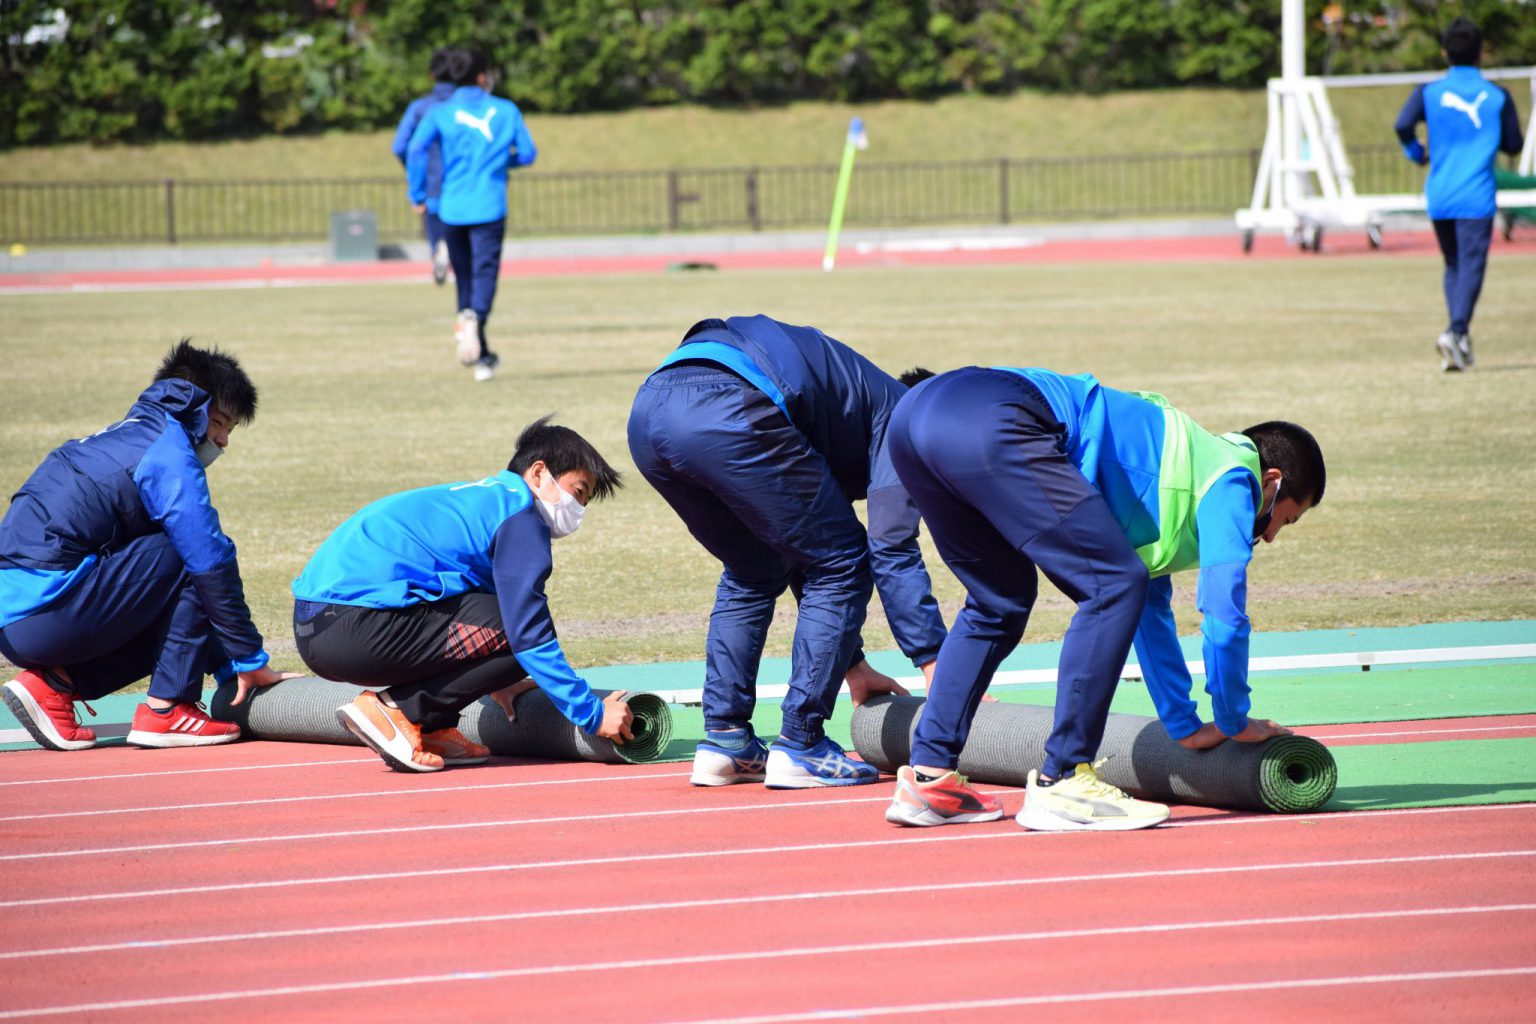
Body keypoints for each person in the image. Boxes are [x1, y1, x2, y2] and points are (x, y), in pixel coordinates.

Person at [881, 366, 1325, 831]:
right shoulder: (1234, 481)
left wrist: (1187, 727)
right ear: (1271, 481)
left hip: (915, 418)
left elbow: (1147, 610)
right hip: (992, 413)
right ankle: (1066, 779)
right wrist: (1234, 719)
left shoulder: (1172, 477)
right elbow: (1224, 615)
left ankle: (929, 780)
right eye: (1285, 521)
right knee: (1113, 584)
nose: (1270, 536)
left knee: (1000, 600)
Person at [627, 315, 947, 789]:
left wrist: (853, 665)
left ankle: (725, 740)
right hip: (730, 403)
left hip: (651, 409)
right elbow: (890, 549)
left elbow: (801, 544)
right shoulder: (907, 420)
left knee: (753, 567)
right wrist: (939, 667)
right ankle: (801, 743)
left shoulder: (852, 413)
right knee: (844, 560)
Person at [0, 340, 297, 751]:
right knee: (189, 555)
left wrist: (227, 667)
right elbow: (209, 561)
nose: (224, 440)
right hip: (44, 614)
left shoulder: (131, 432)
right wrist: (250, 659)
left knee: (173, 581)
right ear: (195, 407)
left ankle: (51, 685)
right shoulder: (168, 451)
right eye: (221, 423)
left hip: (21, 620)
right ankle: (167, 710)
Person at [290, 416, 632, 773]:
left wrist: (500, 676)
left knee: (515, 638)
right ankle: (397, 711)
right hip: (354, 625)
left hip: (317, 626)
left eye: (586, 502)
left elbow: (475, 610)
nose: (578, 510)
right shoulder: (521, 516)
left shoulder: (484, 501)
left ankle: (430, 727)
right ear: (538, 473)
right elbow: (526, 632)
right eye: (577, 492)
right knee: (524, 633)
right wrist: (591, 714)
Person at [1394, 16, 1526, 372]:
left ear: (1444, 52)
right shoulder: (1498, 96)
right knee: (1472, 265)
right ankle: (1456, 331)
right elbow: (1514, 144)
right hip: (1476, 195)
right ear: (1482, 53)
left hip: (1440, 194)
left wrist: (1417, 153)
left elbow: (1402, 125)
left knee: (1454, 265)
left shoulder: (1428, 92)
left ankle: (1459, 339)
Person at [406, 48, 538, 383]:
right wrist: (503, 162)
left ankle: (480, 351)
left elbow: (415, 148)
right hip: (489, 206)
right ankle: (475, 318)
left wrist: (417, 192)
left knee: (464, 277)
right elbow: (527, 153)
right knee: (485, 273)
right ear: (482, 77)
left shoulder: (440, 112)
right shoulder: (506, 109)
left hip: (451, 206)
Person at [391, 47, 458, 287]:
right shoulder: (466, 107)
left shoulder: (420, 108)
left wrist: (414, 178)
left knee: (436, 230)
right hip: (465, 184)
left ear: (432, 75)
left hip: (430, 184)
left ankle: (439, 251)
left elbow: (401, 146)